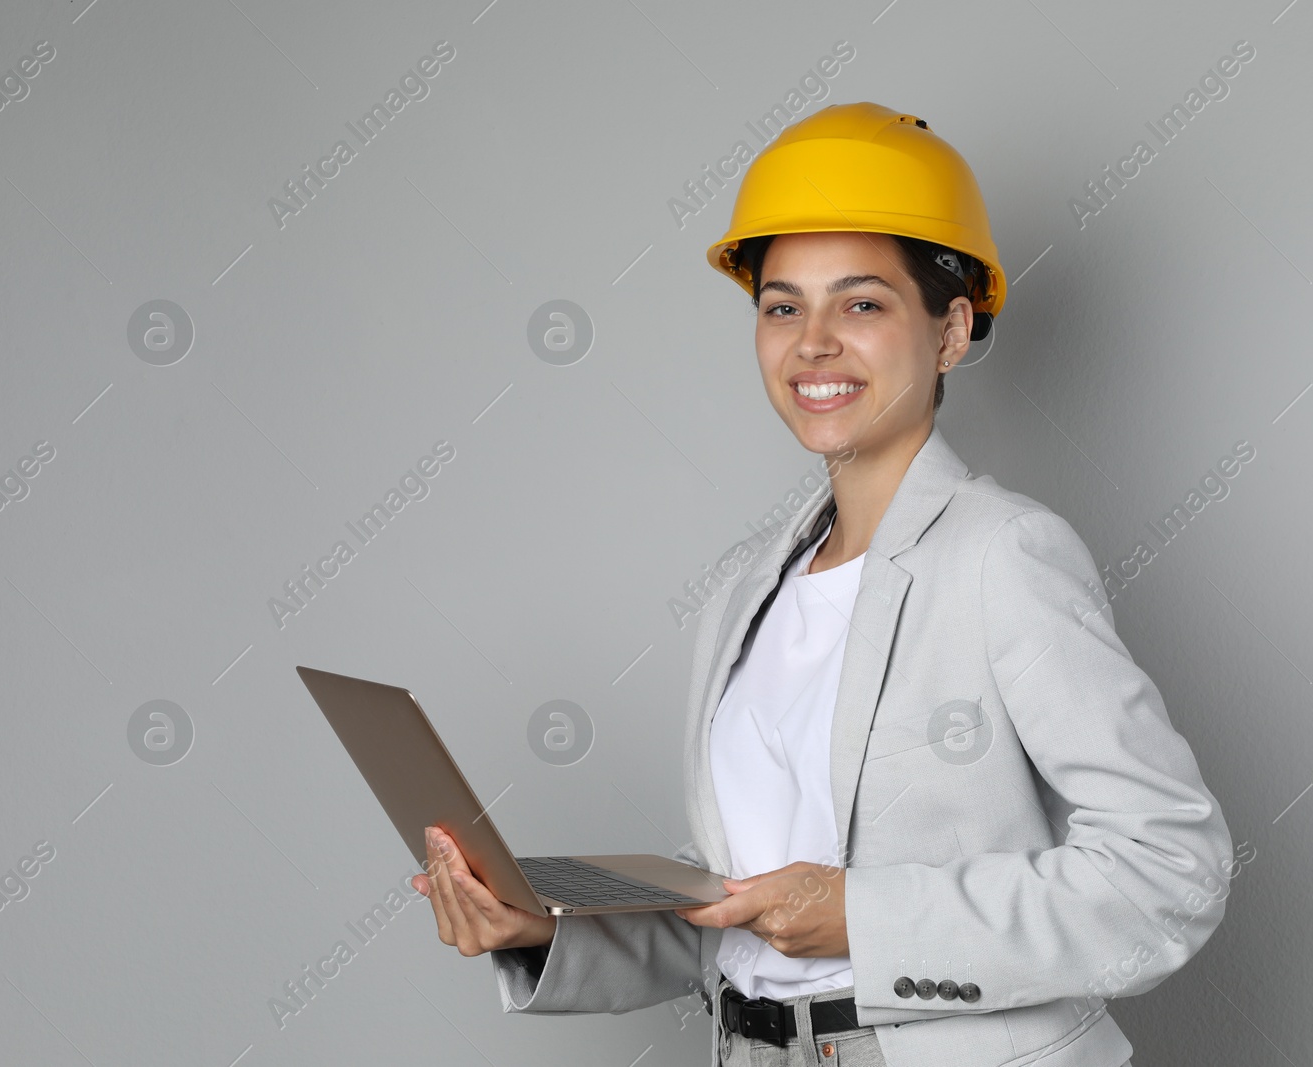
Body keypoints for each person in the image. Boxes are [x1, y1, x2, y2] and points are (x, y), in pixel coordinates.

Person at [411, 102, 1231, 1067]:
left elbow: (1170, 873)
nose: (814, 343)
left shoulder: (1003, 554)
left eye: (864, 303)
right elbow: (746, 918)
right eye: (783, 305)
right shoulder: (746, 595)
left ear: (952, 328)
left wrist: (862, 915)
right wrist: (537, 928)